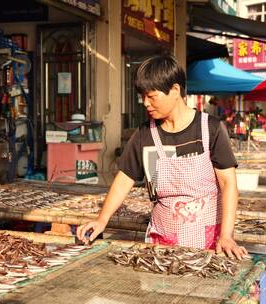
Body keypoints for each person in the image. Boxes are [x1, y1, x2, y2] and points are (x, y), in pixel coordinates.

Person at [77, 55, 247, 259]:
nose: (145, 103)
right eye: (143, 97)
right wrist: (102, 220)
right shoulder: (144, 134)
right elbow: (124, 179)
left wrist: (226, 236)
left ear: (175, 91)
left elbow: (228, 184)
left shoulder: (210, 128)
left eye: (152, 96)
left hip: (210, 240)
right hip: (161, 241)